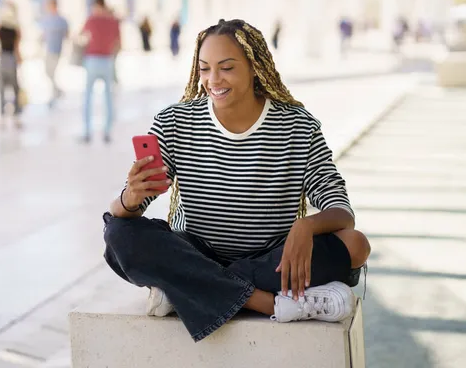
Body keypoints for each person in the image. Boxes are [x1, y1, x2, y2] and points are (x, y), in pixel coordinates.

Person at [103, 19, 371, 342]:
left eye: (226, 67)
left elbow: (341, 209)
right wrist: (130, 199)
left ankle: (183, 290)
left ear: (254, 67)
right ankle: (267, 302)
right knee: (118, 235)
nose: (213, 80)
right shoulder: (174, 122)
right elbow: (124, 214)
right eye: (204, 69)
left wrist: (307, 226)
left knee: (356, 245)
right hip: (199, 252)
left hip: (271, 260)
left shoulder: (297, 127)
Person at [80, 0, 121, 143]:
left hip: (92, 59)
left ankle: (87, 131)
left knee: (88, 96)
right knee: (108, 97)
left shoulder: (91, 19)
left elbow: (81, 35)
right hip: (107, 60)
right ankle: (107, 131)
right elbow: (118, 43)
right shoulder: (114, 21)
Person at [0, 1, 23, 130]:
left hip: (2, 59)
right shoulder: (16, 28)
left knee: (2, 88)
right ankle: (16, 116)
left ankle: (2, 116)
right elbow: (17, 49)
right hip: (11, 59)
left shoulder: (0, 26)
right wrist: (19, 60)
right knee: (14, 88)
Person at [40, 0, 69, 107]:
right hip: (48, 50)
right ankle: (57, 91)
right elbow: (44, 35)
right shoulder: (46, 20)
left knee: (51, 72)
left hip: (56, 50)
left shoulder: (62, 20)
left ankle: (54, 95)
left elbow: (67, 35)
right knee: (48, 72)